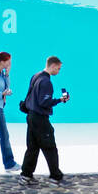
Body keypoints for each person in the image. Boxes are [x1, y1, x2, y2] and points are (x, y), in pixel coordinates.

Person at [19, 55, 69, 187]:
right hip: (40, 119)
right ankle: (55, 177)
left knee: (32, 147)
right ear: (52, 66)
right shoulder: (47, 82)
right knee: (50, 147)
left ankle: (26, 176)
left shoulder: (35, 76)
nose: (58, 71)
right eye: (58, 69)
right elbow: (44, 102)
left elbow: (30, 96)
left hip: (30, 116)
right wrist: (59, 100)